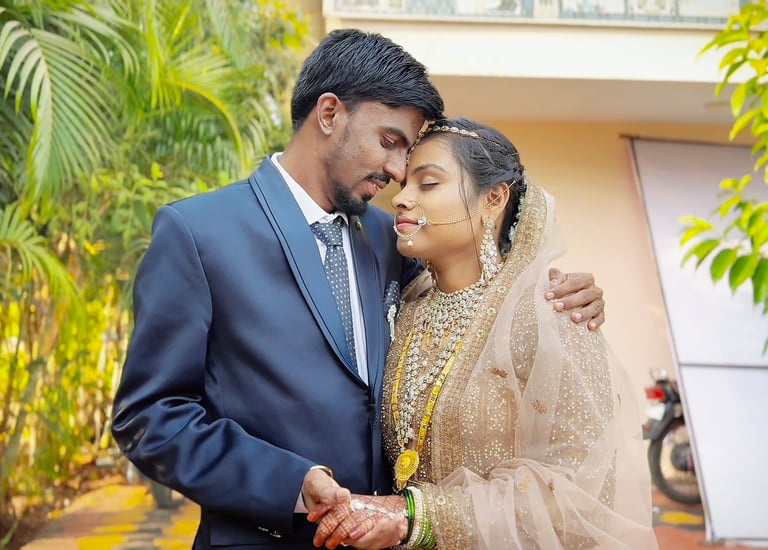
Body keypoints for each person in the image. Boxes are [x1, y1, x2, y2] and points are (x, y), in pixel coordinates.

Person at [110, 30, 607, 550]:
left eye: (408, 155)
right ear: (329, 114)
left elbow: (473, 300)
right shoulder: (199, 232)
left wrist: (560, 293)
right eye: (389, 142)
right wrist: (290, 483)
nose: (397, 172)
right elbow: (151, 416)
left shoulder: (394, 240)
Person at [312, 119, 657, 549]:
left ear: (493, 199)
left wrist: (415, 516)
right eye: (404, 185)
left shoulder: (549, 314)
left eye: (428, 183)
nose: (400, 199)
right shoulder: (404, 306)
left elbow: (583, 490)